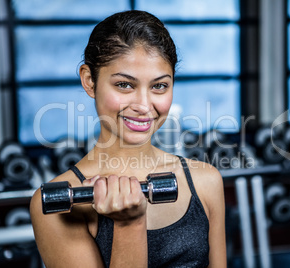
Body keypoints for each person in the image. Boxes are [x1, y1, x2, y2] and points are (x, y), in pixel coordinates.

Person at [30, 10, 226, 268]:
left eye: (159, 86)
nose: (144, 106)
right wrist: (128, 223)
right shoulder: (61, 203)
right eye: (124, 85)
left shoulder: (205, 182)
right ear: (89, 81)